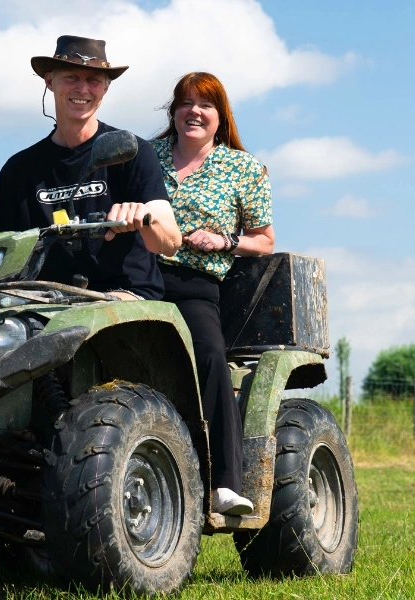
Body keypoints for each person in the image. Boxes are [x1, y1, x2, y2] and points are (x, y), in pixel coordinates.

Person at [0, 35, 181, 300]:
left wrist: (147, 217)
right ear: (49, 81)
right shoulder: (19, 169)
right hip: (43, 301)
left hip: (124, 296)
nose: (82, 89)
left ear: (105, 89)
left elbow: (171, 242)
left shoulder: (131, 152)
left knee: (91, 315)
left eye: (93, 80)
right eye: (72, 77)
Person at [150, 72, 275, 516]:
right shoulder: (145, 157)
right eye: (185, 103)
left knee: (209, 355)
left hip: (194, 284)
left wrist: (224, 241)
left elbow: (264, 241)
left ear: (221, 116)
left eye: (205, 104)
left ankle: (224, 483)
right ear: (174, 112)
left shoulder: (244, 168)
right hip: (137, 276)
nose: (194, 112)